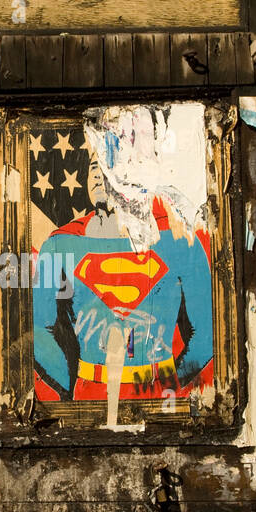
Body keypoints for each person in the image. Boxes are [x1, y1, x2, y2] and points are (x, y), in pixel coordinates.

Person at [33, 151, 213, 402]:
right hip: (90, 394)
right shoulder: (61, 243)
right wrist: (68, 390)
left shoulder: (179, 239)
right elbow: (40, 328)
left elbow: (205, 333)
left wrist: (169, 382)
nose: (97, 173)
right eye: (93, 165)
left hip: (159, 395)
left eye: (109, 164)